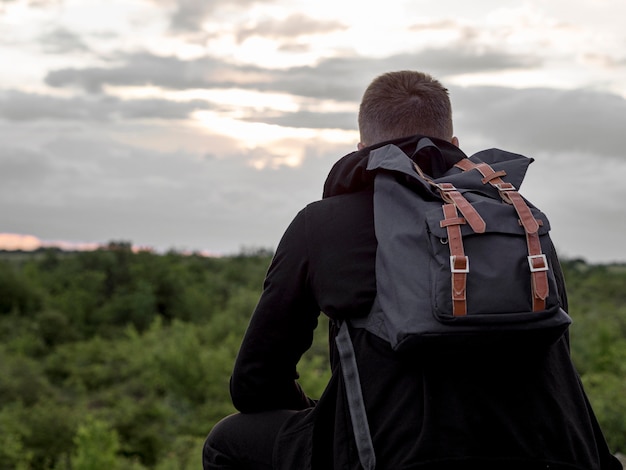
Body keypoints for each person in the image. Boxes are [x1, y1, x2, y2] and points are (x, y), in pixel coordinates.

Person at [203, 70, 622, 469]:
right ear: (454, 143)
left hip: (391, 456)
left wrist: (331, 414)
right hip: (561, 453)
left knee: (228, 442)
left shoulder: (322, 223)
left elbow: (255, 384)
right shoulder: (518, 220)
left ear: (361, 148)